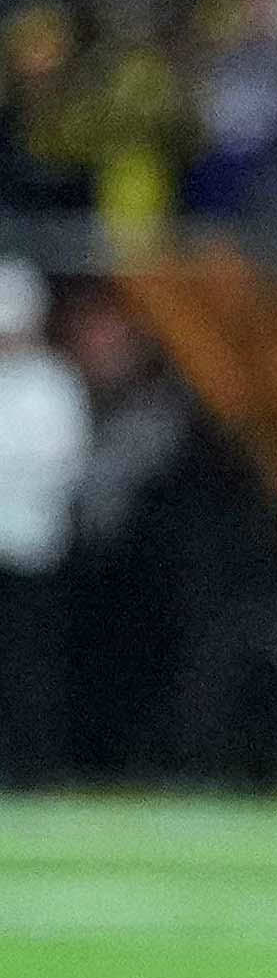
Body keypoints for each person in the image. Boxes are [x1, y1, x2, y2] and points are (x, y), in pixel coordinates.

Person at [0, 264, 80, 790]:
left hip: (30, 549)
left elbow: (59, 465)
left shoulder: (53, 383)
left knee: (28, 670)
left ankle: (32, 771)